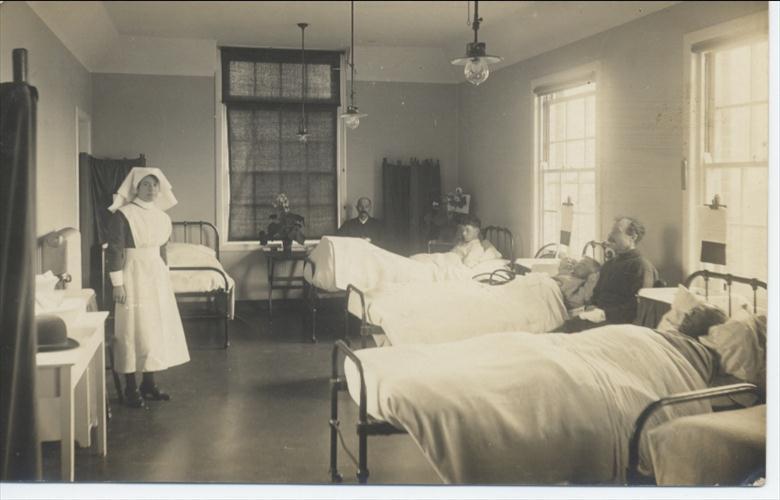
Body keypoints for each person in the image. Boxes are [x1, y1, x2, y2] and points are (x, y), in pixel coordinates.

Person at [107, 167, 190, 408]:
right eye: (146, 185)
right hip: (132, 274)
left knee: (153, 328)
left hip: (155, 276)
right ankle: (131, 387)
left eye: (155, 185)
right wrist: (117, 285)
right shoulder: (123, 215)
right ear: (136, 188)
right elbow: (114, 250)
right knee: (133, 329)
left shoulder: (162, 217)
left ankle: (149, 384)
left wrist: (164, 275)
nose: (151, 189)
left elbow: (162, 250)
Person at [558, 216, 658, 333]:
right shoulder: (609, 265)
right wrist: (591, 308)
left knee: (564, 334)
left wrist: (603, 313)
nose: (610, 236)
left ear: (633, 237)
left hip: (618, 325)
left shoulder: (641, 266)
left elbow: (637, 309)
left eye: (617, 232)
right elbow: (596, 295)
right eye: (611, 231)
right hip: (597, 318)